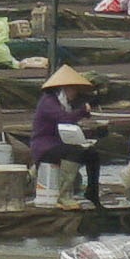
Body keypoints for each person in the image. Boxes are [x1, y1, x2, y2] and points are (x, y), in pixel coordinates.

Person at [28, 62, 107, 208]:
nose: (75, 92)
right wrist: (82, 111)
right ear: (64, 88)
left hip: (59, 144)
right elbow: (64, 119)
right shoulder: (48, 102)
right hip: (44, 147)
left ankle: (92, 192)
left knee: (92, 154)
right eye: (73, 89)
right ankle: (62, 194)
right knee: (74, 152)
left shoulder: (65, 103)